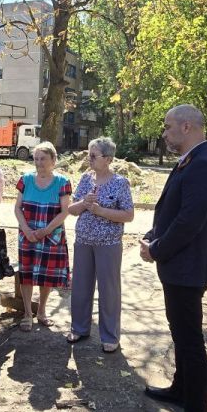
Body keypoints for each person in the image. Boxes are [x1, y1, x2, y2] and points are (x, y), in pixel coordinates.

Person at [140, 104, 207, 412]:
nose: (164, 133)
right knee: (181, 335)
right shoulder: (194, 159)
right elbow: (174, 211)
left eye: (167, 127)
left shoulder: (204, 165)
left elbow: (190, 222)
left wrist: (157, 249)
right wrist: (153, 235)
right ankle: (180, 388)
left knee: (191, 343)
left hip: (186, 265)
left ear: (187, 126)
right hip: (180, 263)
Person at [66, 137, 134, 353]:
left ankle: (110, 335)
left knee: (109, 290)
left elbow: (128, 215)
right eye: (88, 153)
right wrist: (84, 203)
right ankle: (79, 328)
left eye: (93, 155)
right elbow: (72, 210)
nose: (89, 158)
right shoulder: (86, 179)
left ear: (108, 159)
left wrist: (100, 210)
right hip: (84, 241)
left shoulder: (120, 183)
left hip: (109, 244)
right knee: (80, 287)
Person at [13, 141, 72, 331]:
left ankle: (42, 311)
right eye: (36, 158)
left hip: (51, 236)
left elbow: (65, 211)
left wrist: (45, 231)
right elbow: (17, 207)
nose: (39, 162)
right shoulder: (25, 180)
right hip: (28, 235)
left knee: (47, 275)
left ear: (53, 160)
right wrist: (27, 230)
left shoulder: (62, 182)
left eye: (43, 158)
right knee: (27, 273)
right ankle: (28, 313)